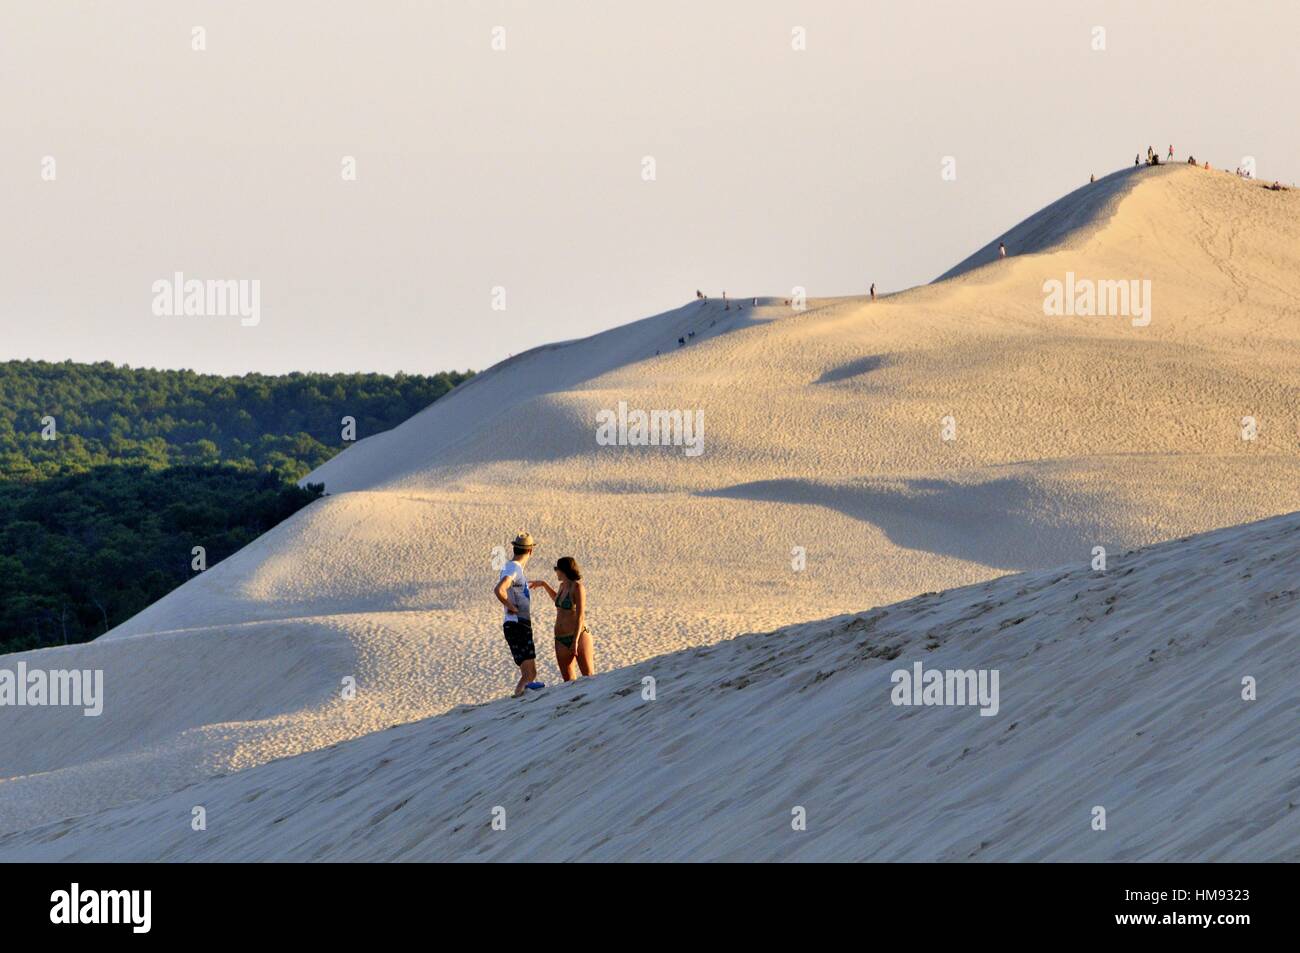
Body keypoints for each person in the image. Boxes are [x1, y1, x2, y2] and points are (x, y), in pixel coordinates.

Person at [494, 532, 542, 697]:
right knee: (530, 674)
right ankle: (519, 705)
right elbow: (499, 589)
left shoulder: (510, 566)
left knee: (529, 674)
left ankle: (518, 701)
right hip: (518, 625)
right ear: (530, 551)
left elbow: (507, 588)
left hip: (516, 625)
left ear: (514, 548)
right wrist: (511, 606)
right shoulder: (513, 568)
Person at [530, 556, 594, 681]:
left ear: (563, 570)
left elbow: (580, 616)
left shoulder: (577, 588)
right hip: (561, 639)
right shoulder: (562, 586)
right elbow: (557, 601)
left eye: (556, 569)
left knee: (589, 677)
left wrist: (575, 641)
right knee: (568, 682)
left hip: (579, 637)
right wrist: (544, 585)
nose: (556, 572)